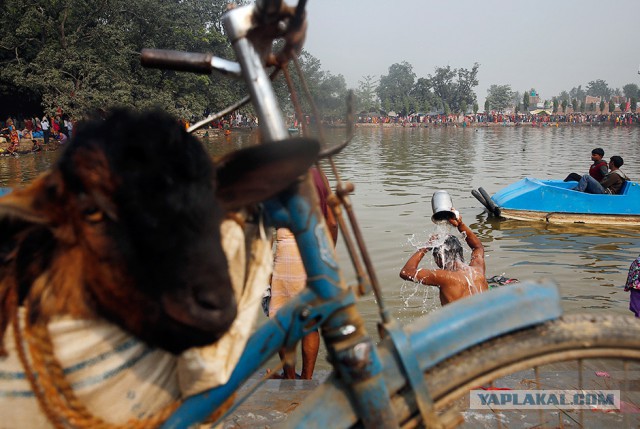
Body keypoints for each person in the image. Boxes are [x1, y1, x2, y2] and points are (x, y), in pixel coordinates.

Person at [268, 167, 338, 380]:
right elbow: (332, 222)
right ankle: (306, 378)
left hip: (285, 246)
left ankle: (290, 376)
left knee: (282, 318)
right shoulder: (320, 176)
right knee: (309, 321)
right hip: (311, 246)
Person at [400, 213, 488, 306]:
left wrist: (426, 247)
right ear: (460, 252)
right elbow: (478, 247)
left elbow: (406, 272)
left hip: (460, 320)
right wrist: (460, 225)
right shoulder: (478, 270)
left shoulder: (444, 277)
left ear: (439, 257)